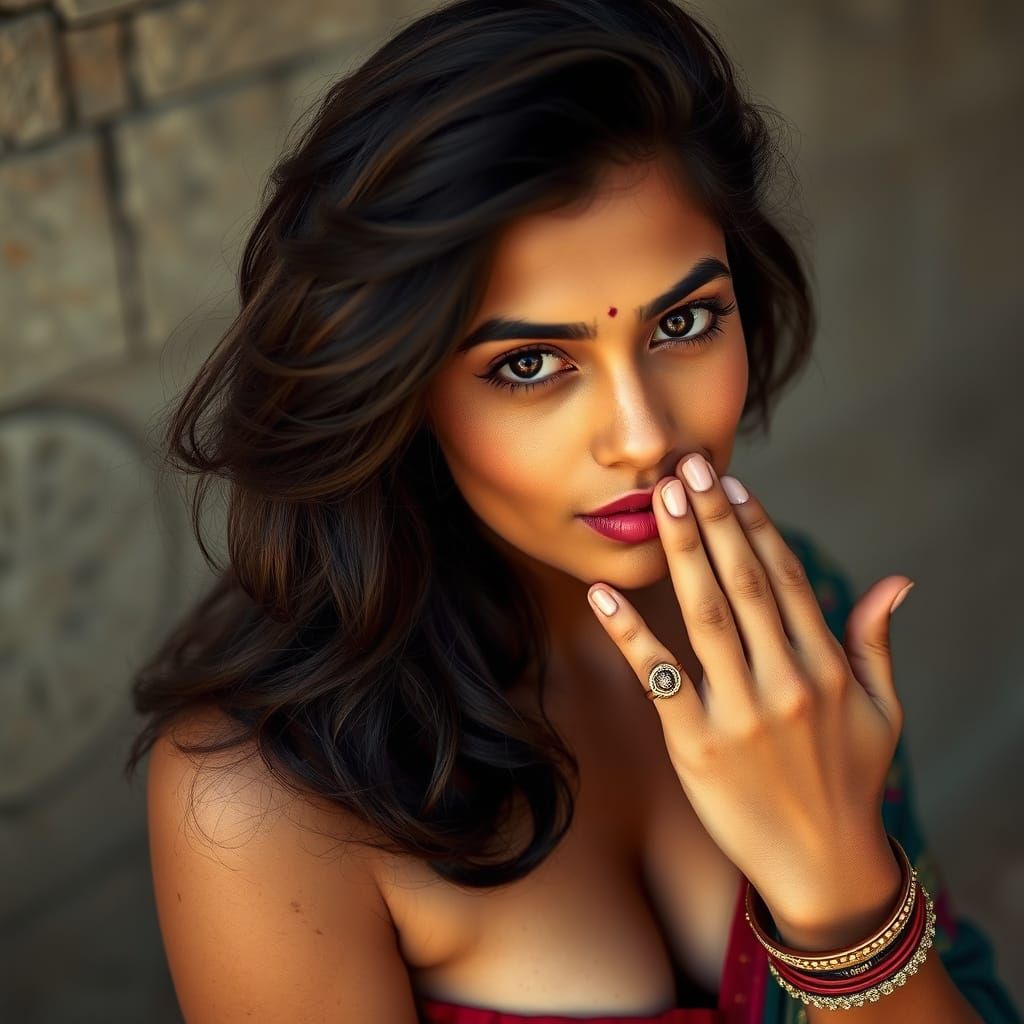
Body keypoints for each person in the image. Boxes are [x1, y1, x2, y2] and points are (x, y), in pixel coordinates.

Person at [125, 1, 1021, 1021]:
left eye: (683, 320)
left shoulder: (788, 627)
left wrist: (842, 902)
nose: (643, 435)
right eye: (529, 364)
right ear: (397, 388)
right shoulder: (265, 800)